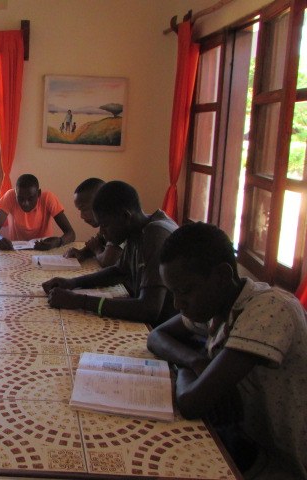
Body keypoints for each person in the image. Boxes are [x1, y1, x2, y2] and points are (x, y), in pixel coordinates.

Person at [147, 223, 307, 479]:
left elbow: (192, 403)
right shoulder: (218, 306)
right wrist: (197, 362)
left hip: (284, 466)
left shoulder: (270, 309)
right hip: (245, 445)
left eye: (184, 291)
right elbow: (156, 336)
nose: (177, 304)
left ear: (222, 275)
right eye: (173, 293)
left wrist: (184, 367)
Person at [42, 180, 178, 326]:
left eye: (105, 225)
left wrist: (78, 301)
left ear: (125, 216)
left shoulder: (155, 235)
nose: (103, 233)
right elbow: (118, 272)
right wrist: (73, 282)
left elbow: (149, 309)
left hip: (168, 328)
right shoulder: (137, 229)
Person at [0, 174, 75, 250]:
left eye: (30, 199)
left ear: (39, 194)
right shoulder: (10, 196)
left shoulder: (48, 198)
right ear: (15, 194)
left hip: (44, 250)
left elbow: (71, 233)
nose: (25, 203)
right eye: (20, 199)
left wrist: (58, 242)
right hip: (16, 249)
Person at [64, 178, 123, 267]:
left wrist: (96, 249)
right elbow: (99, 242)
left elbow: (108, 262)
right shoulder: (104, 225)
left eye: (84, 209)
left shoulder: (118, 224)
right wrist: (82, 252)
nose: (82, 216)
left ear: (101, 203)